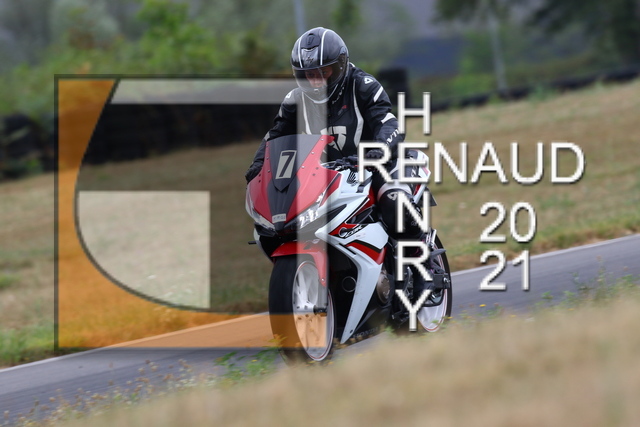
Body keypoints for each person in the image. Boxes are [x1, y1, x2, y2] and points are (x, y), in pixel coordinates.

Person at [245, 27, 425, 244]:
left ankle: (420, 256)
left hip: (378, 165)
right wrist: (259, 165)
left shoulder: (363, 86)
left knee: (394, 204)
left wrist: (378, 151)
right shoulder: (294, 100)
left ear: (340, 65)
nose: (316, 81)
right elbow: (275, 136)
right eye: (309, 75)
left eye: (324, 72)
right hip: (326, 174)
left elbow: (388, 123)